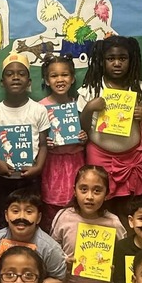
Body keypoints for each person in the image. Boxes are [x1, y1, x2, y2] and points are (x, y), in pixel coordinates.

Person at [78, 36, 142, 228]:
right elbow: (82, 129)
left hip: (132, 160)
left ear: (131, 60)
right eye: (111, 59)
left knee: (130, 209)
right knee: (99, 205)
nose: (117, 63)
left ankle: (126, 248)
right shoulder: (91, 89)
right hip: (99, 157)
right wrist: (89, 108)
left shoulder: (140, 88)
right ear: (102, 61)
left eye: (123, 58)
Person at [51, 165, 126, 283]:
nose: (90, 196)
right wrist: (64, 261)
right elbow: (52, 249)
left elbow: (124, 254)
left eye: (97, 190)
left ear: (107, 193)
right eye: (83, 189)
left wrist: (114, 267)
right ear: (74, 191)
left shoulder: (113, 222)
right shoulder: (64, 216)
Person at [0, 52, 50, 227]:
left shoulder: (38, 110)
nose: (15, 77)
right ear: (2, 82)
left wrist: (38, 167)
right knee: (4, 219)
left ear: (29, 82)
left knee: (31, 218)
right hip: (3, 177)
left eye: (21, 74)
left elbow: (43, 144)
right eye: (9, 74)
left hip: (31, 177)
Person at [38, 54, 87, 232]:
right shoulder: (40, 107)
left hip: (76, 162)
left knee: (78, 206)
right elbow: (34, 139)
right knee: (52, 208)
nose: (60, 80)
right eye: (54, 76)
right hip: (52, 164)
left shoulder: (79, 105)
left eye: (64, 75)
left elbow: (88, 131)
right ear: (46, 80)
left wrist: (83, 137)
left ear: (72, 78)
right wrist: (44, 142)